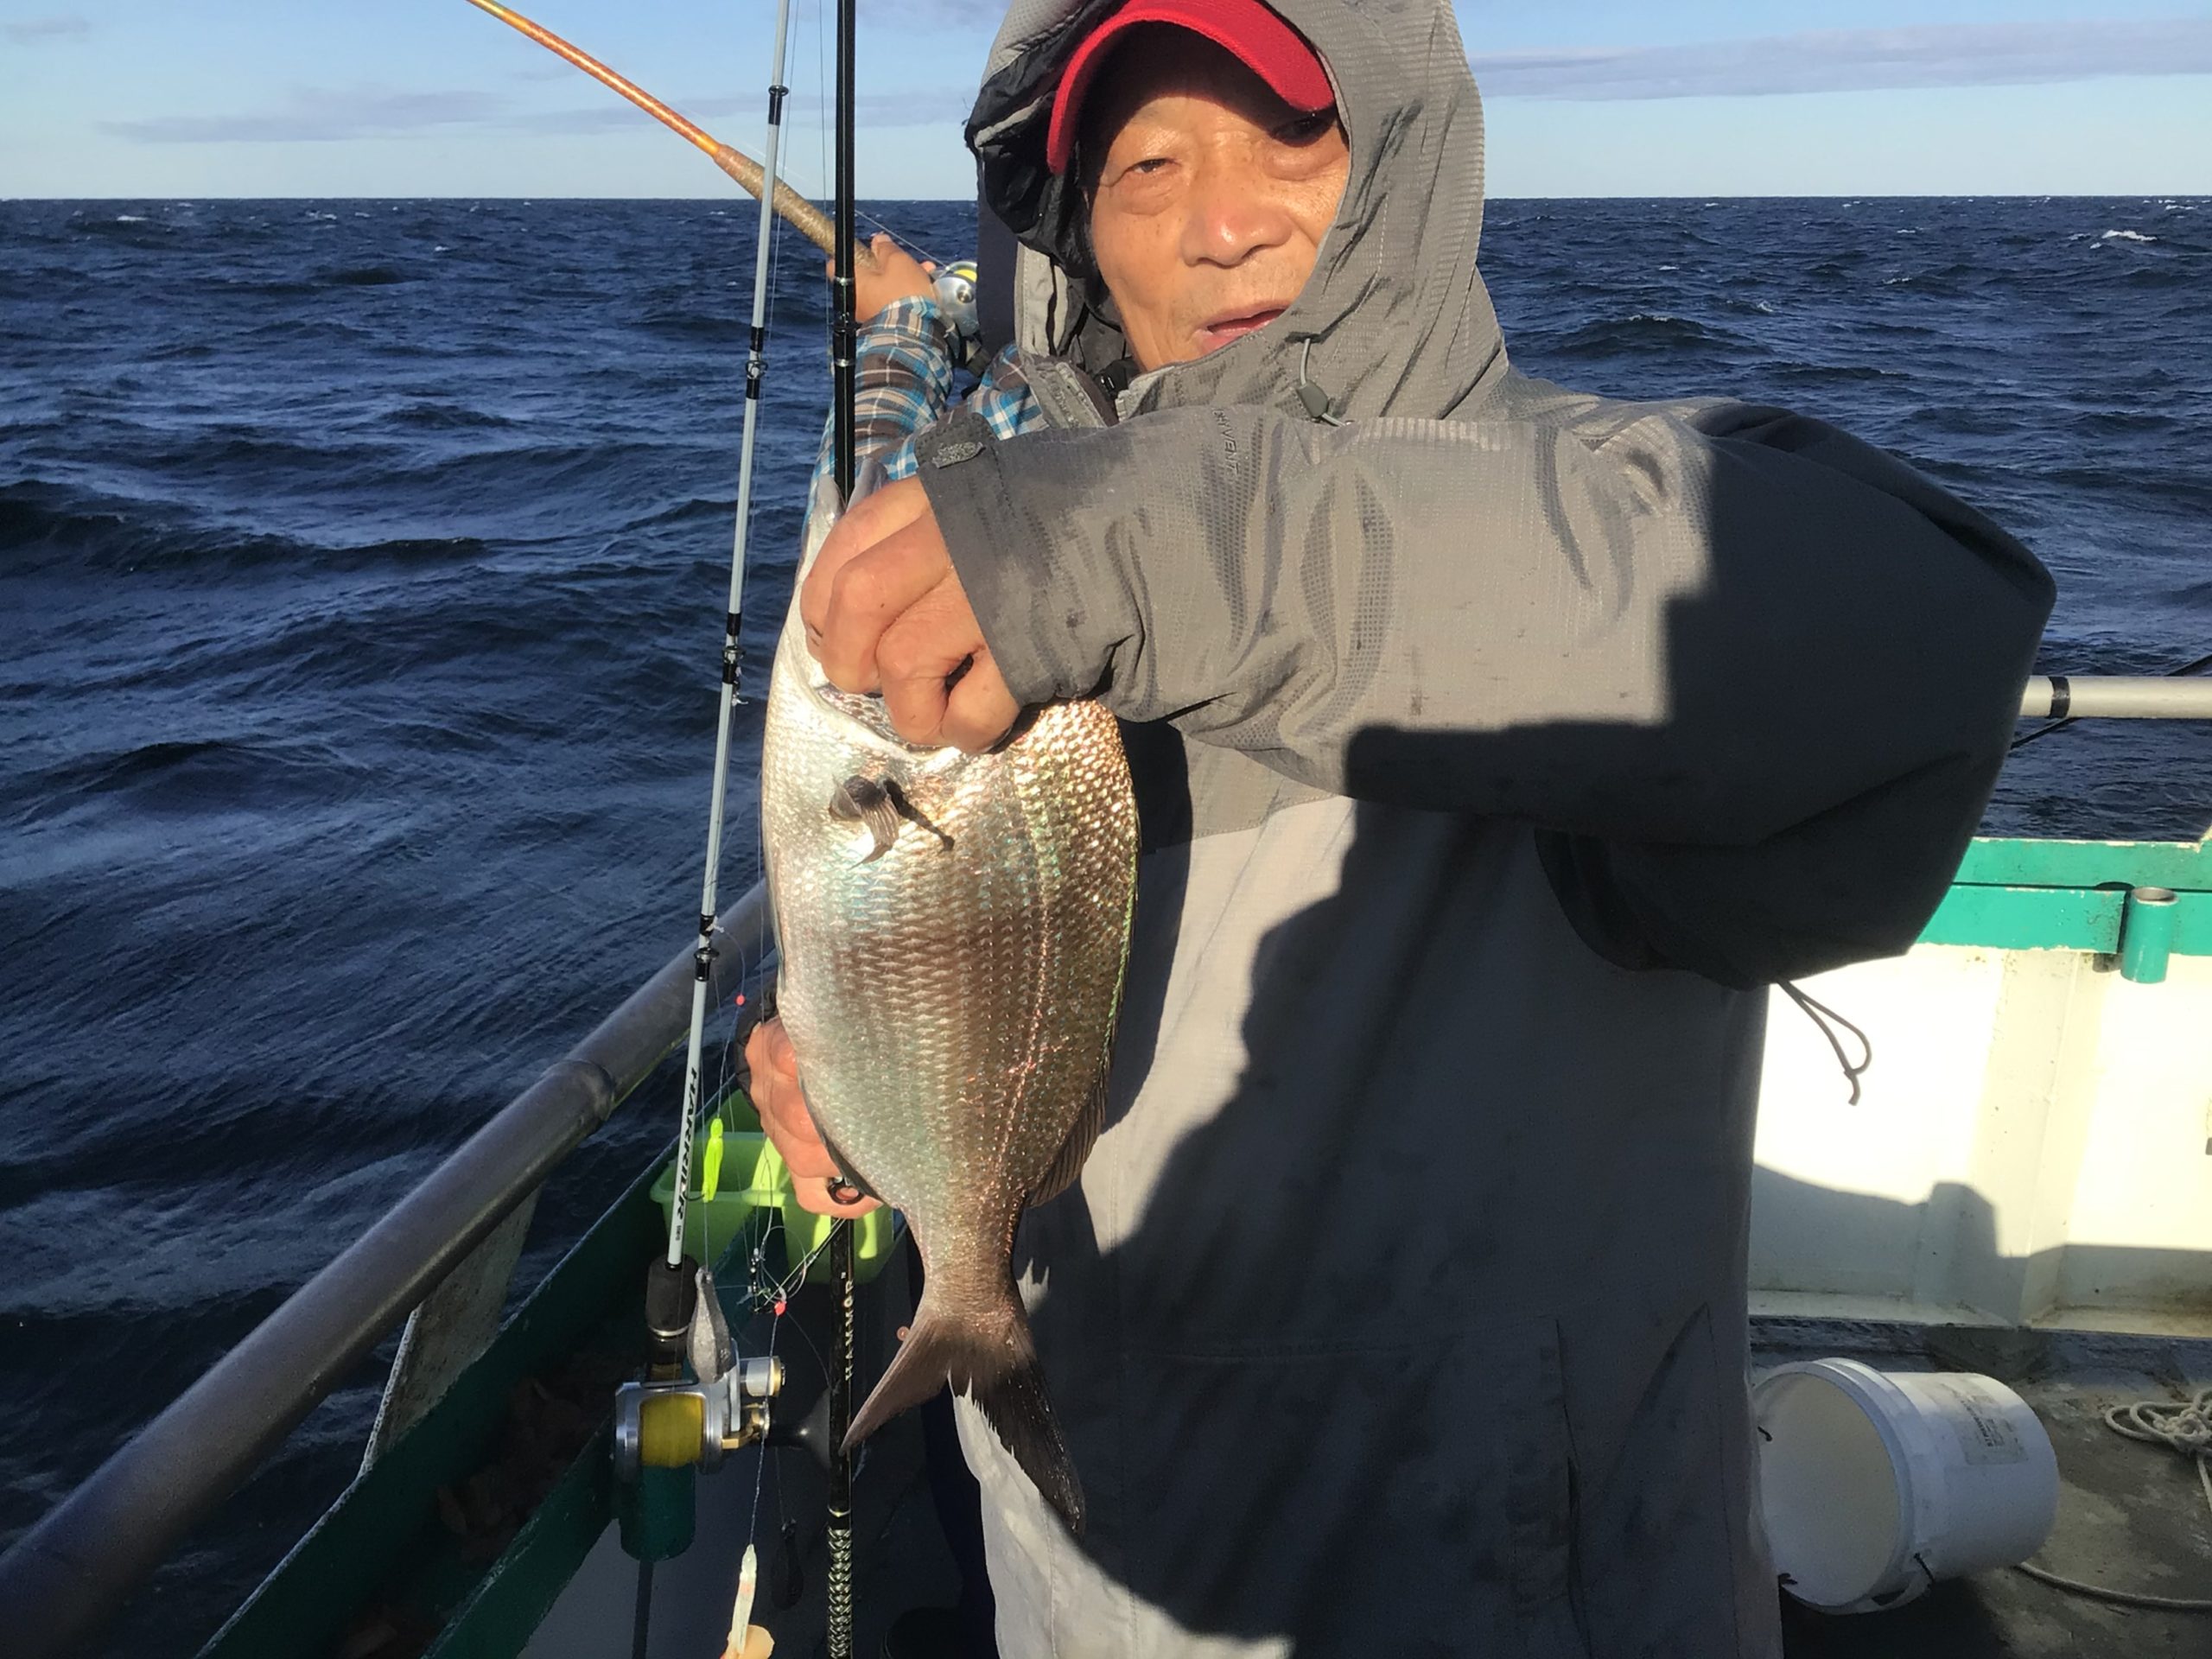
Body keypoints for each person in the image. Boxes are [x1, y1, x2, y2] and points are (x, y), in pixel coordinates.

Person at [749, 0, 2055, 1653]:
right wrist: (860, 1073)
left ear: (1406, 163)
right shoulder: (993, 585)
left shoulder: (1594, 501)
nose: (1225, 222)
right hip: (1082, 1596)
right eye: (1149, 162)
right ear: (1072, 236)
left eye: (1292, 135)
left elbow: (1921, 651)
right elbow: (934, 951)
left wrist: (1155, 551)